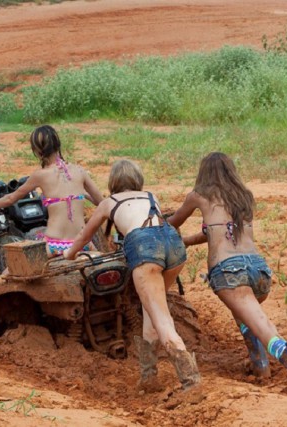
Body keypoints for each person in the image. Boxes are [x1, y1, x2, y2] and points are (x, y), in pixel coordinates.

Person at [167, 152, 287, 398]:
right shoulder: (243, 197)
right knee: (246, 315)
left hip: (229, 272)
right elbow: (223, 232)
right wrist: (188, 241)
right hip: (259, 271)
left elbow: (172, 222)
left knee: (264, 328)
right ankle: (260, 367)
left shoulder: (199, 196)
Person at [64, 159, 202, 395]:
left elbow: (84, 236)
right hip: (173, 248)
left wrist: (69, 254)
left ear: (113, 182)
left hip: (145, 250)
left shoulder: (108, 203)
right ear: (138, 180)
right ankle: (148, 377)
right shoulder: (151, 196)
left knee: (162, 320)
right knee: (151, 310)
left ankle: (191, 382)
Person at [0, 125, 104, 257]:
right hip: (83, 244)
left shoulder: (40, 175)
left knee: (12, 271)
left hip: (56, 245)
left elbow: (10, 199)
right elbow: (101, 202)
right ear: (58, 144)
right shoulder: (79, 171)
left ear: (37, 151)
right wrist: (82, 194)